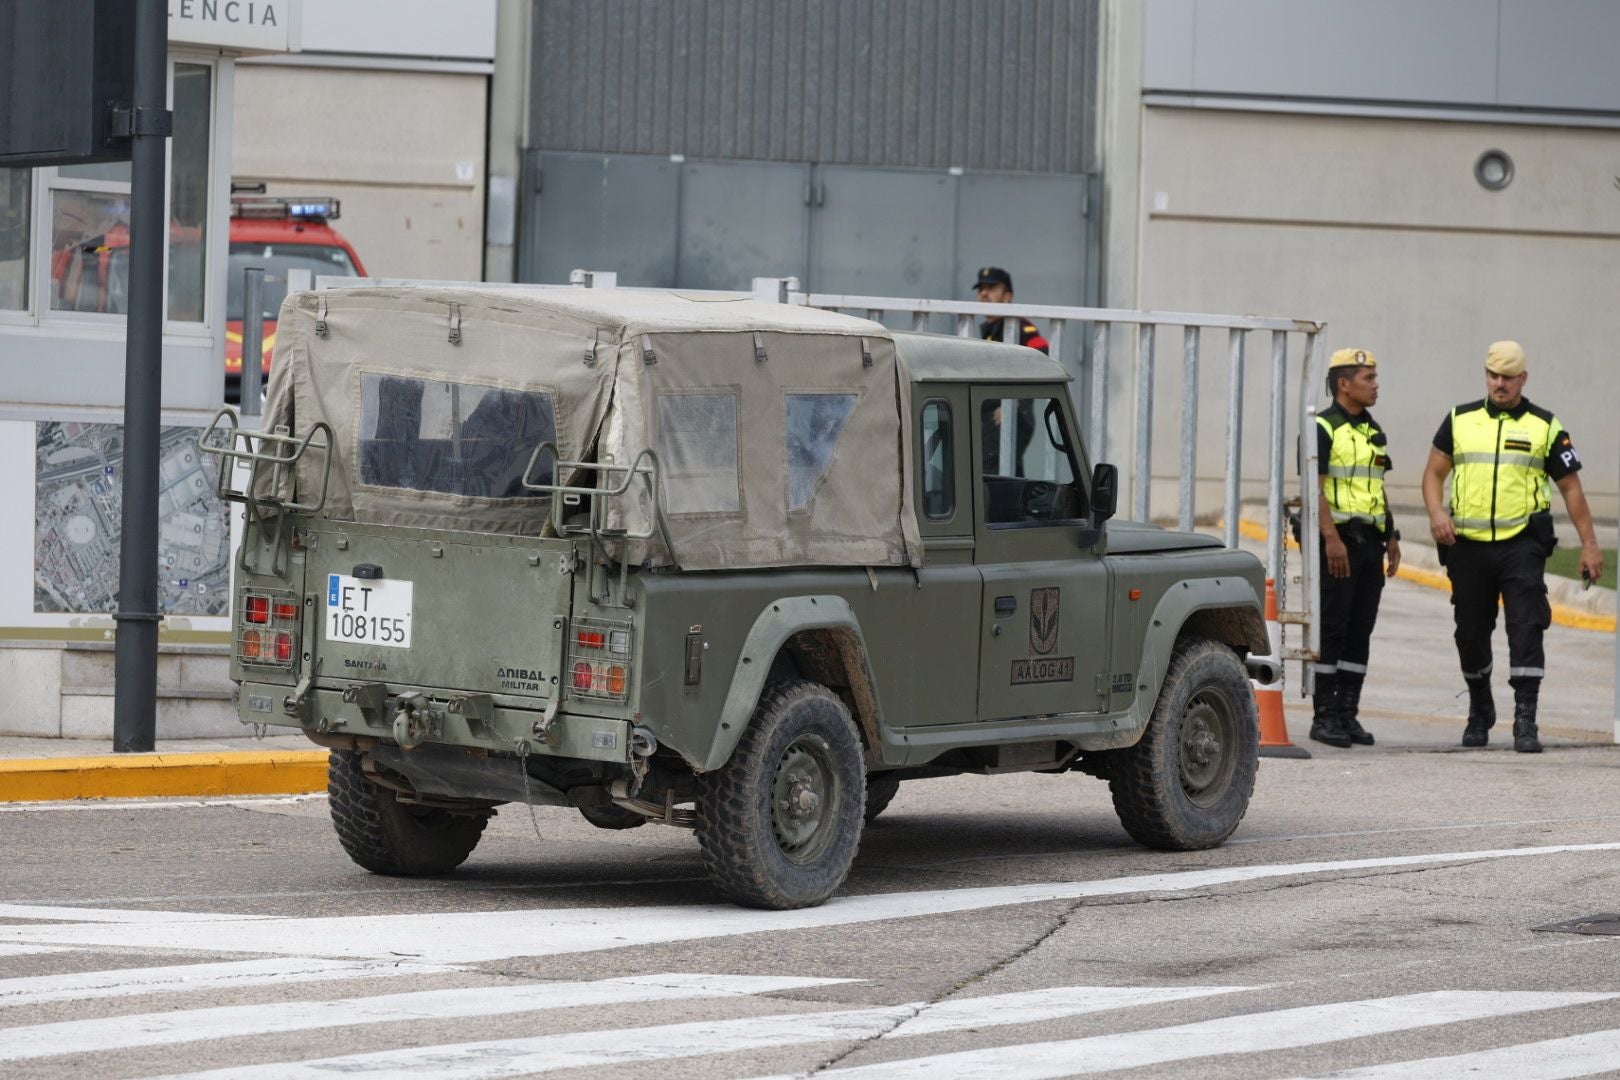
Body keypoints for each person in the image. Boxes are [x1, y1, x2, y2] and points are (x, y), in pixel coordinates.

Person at [1421, 341, 1605, 752]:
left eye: (1507, 376)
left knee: (1525, 629)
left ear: (1523, 378)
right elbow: (1433, 474)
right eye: (1492, 375)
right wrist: (1436, 514)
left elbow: (1571, 489)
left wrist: (1590, 546)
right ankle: (1479, 705)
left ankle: (1526, 718)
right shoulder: (1460, 419)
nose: (1499, 383)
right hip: (1467, 546)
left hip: (1521, 545)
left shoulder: (1545, 426)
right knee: (1470, 633)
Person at [1309, 348, 1401, 748]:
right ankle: (1324, 716)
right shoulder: (1322, 427)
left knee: (1360, 629)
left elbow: (1374, 487)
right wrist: (1330, 538)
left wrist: (1392, 534)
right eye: (1368, 378)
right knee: (1333, 627)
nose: (1376, 385)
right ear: (1344, 384)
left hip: (1370, 544)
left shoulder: (1372, 430)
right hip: (1339, 541)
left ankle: (1347, 714)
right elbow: (1314, 489)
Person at [974, 267, 1045, 476]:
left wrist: (1013, 401)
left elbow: (1041, 353)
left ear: (1007, 297)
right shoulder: (989, 330)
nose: (984, 294)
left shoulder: (1020, 327)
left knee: (991, 473)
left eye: (991, 288)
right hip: (990, 415)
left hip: (1009, 414)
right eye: (981, 289)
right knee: (1008, 475)